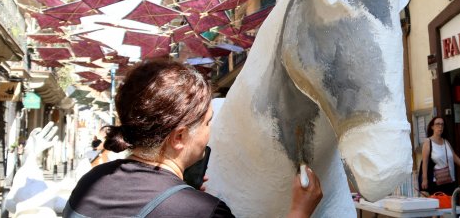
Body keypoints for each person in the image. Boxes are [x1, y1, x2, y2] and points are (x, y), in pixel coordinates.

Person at [64, 59, 322, 217]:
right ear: (179, 137)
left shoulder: (93, 180)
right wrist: (300, 211)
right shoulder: (200, 211)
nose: (211, 131)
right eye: (208, 121)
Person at [420, 117, 460, 195]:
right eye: (437, 124)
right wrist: (424, 179)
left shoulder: (446, 141)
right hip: (437, 181)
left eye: (442, 124)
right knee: (440, 204)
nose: (440, 126)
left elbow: (453, 156)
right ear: (432, 127)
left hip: (450, 180)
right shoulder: (428, 142)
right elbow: (425, 162)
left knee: (450, 204)